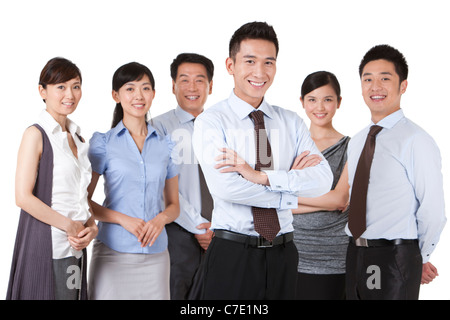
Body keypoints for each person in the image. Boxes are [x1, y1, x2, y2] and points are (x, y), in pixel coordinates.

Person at [191, 21, 333, 300]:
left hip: (284, 253)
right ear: (230, 65)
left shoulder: (291, 121)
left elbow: (323, 180)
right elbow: (226, 188)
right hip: (233, 253)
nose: (260, 72)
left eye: (269, 62)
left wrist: (263, 177)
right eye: (250, 61)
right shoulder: (212, 121)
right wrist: (289, 192)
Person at [345, 44, 446, 300]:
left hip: (391, 257)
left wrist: (420, 258)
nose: (375, 87)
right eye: (368, 79)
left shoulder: (416, 140)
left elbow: (432, 209)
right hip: (354, 252)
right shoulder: (357, 141)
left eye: (385, 79)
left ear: (403, 86)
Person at [87, 62, 179, 300]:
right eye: (130, 89)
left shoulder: (166, 144)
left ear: (153, 94)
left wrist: (160, 220)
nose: (139, 96)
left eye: (145, 88)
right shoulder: (103, 143)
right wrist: (122, 220)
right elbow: (83, 202)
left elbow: (174, 205)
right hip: (112, 253)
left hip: (157, 255)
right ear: (115, 95)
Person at [7, 57, 97, 300]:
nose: (70, 94)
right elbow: (23, 197)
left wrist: (91, 227)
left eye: (76, 86)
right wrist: (70, 225)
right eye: (61, 87)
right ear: (42, 91)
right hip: (48, 247)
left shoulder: (79, 139)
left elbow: (80, 198)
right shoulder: (36, 134)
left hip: (75, 248)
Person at [152, 53, 214, 300]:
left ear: (210, 86)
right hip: (177, 231)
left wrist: (216, 226)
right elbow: (161, 185)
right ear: (173, 86)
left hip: (220, 232)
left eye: (200, 80)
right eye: (184, 80)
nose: (192, 87)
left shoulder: (220, 126)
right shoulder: (158, 127)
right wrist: (198, 226)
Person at [292, 71, 350, 300]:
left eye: (328, 99)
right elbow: (268, 202)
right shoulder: (290, 145)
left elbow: (339, 200)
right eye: (312, 99)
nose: (320, 107)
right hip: (289, 252)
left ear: (339, 102)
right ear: (302, 102)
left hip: (332, 257)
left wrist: (290, 197)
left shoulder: (351, 148)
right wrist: (325, 202)